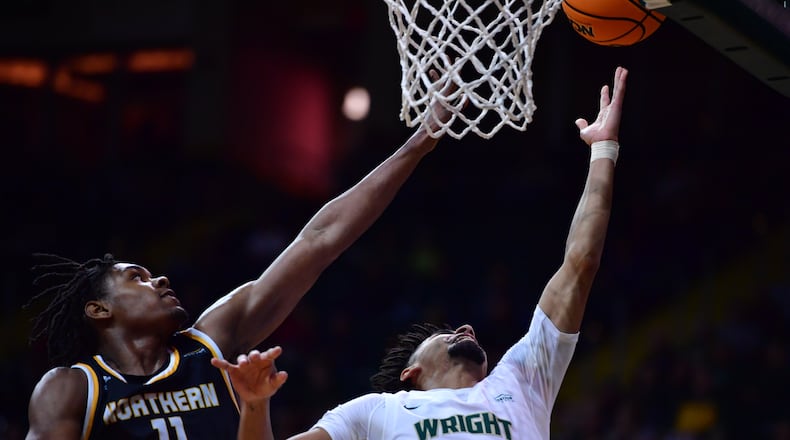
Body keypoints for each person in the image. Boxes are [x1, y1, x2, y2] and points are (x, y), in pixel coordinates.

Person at [24, 70, 460, 440]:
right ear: (99, 309)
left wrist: (419, 142)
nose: (159, 281)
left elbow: (319, 239)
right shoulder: (72, 389)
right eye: (136, 277)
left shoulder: (211, 345)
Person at [213, 66, 629, 440]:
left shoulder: (521, 378)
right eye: (444, 335)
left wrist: (603, 152)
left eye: (457, 331)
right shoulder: (375, 412)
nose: (466, 328)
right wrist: (255, 404)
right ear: (410, 375)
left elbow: (580, 264)